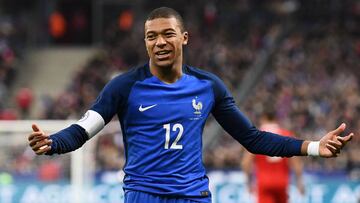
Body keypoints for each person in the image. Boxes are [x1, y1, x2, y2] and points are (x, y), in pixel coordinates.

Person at [28, 7, 354, 203]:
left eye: (168, 34)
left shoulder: (208, 86)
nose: (160, 42)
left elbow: (252, 139)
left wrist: (312, 147)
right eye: (151, 36)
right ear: (145, 42)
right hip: (144, 196)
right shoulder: (124, 86)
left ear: (184, 38)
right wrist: (53, 143)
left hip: (193, 196)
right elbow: (85, 129)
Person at [242, 110, 304, 203]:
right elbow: (296, 163)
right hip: (282, 182)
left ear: (263, 118)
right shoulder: (287, 134)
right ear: (276, 119)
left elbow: (246, 163)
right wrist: (299, 182)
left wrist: (248, 182)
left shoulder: (257, 136)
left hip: (264, 182)